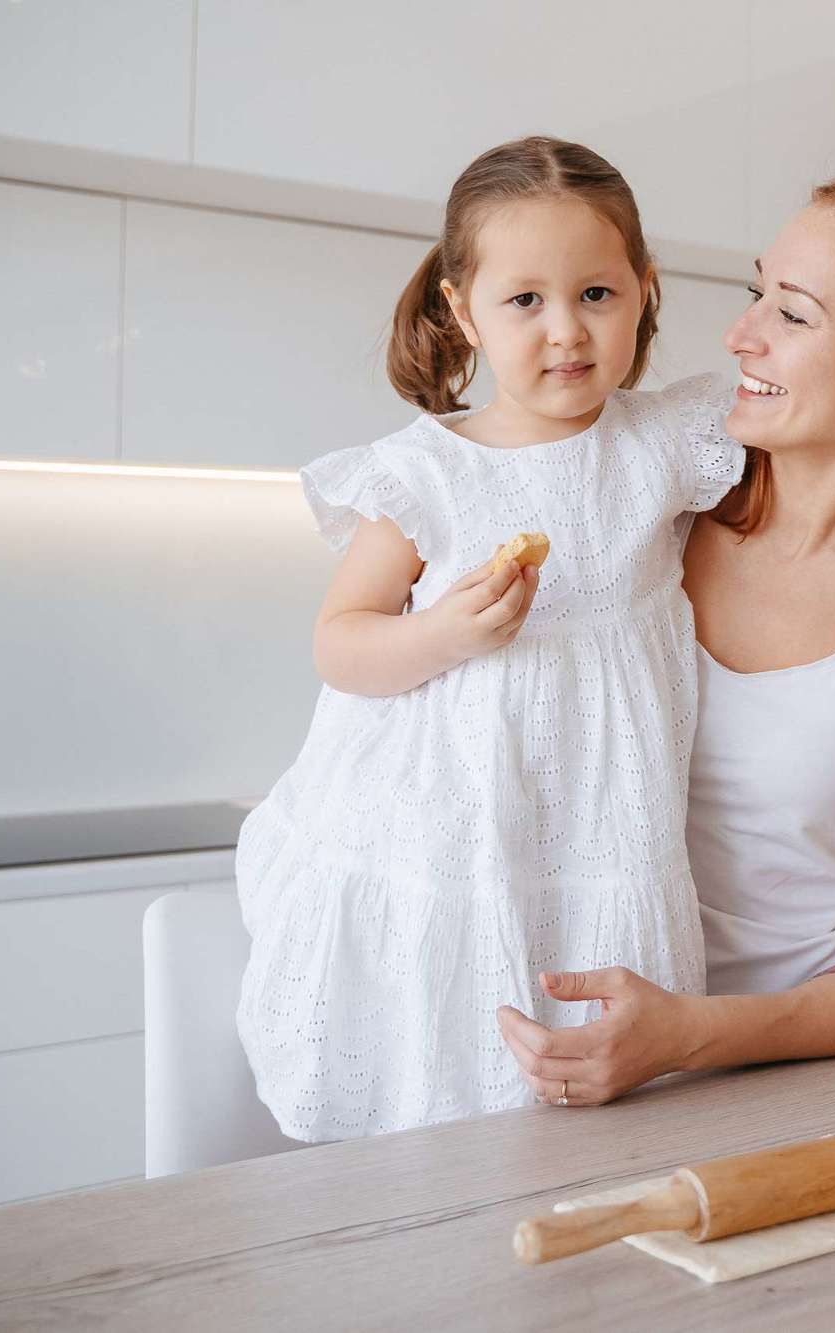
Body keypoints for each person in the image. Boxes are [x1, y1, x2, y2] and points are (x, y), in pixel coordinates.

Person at [497, 174, 835, 1108]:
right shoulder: (651, 525)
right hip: (569, 1056)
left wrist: (686, 1033)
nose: (740, 335)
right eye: (755, 291)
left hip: (795, 1088)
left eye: (792, 315)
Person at [235, 136, 743, 1141]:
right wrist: (443, 637)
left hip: (602, 814)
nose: (566, 330)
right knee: (451, 1065)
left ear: (643, 293)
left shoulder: (664, 442)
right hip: (447, 818)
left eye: (596, 293)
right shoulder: (423, 472)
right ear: (462, 310)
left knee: (592, 1089)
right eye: (525, 302)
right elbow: (340, 642)